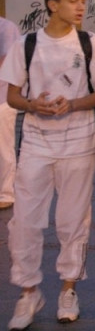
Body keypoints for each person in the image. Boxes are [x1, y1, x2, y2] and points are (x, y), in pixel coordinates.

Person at [1, 0, 95, 329]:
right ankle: (29, 292)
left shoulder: (92, 43)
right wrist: (33, 105)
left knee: (72, 220)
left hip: (79, 142)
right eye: (73, 1)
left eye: (83, 1)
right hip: (35, 142)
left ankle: (68, 288)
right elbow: (13, 95)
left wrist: (73, 103)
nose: (80, 7)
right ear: (52, 4)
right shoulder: (26, 44)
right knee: (25, 222)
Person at [0, 15, 21, 210]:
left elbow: (7, 60)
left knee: (3, 148)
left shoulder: (6, 28)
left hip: (3, 97)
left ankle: (6, 192)